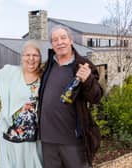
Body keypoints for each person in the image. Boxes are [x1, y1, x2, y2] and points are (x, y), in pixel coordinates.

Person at [38, 25, 103, 168]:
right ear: (52, 44)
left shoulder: (83, 65)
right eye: (55, 40)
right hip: (48, 141)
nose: (60, 42)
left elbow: (96, 97)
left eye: (63, 38)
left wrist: (88, 80)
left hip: (73, 141)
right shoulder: (48, 65)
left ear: (71, 40)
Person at [0, 40, 43, 168]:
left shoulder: (45, 77)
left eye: (35, 55)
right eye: (27, 55)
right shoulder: (9, 73)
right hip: (9, 134)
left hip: (34, 138)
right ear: (22, 57)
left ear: (40, 58)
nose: (31, 59)